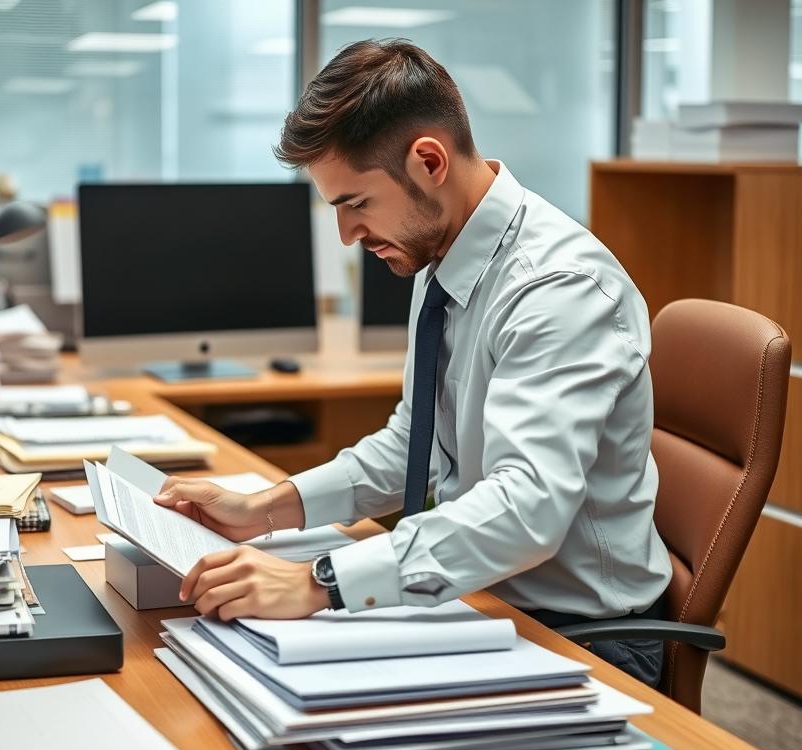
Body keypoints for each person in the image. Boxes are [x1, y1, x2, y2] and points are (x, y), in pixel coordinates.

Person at [153, 39, 672, 687]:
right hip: (481, 597)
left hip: (581, 637)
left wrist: (317, 583)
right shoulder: (443, 255)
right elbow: (416, 444)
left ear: (429, 162)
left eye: (356, 204)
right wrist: (265, 509)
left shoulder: (557, 288)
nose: (347, 235)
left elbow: (528, 507)